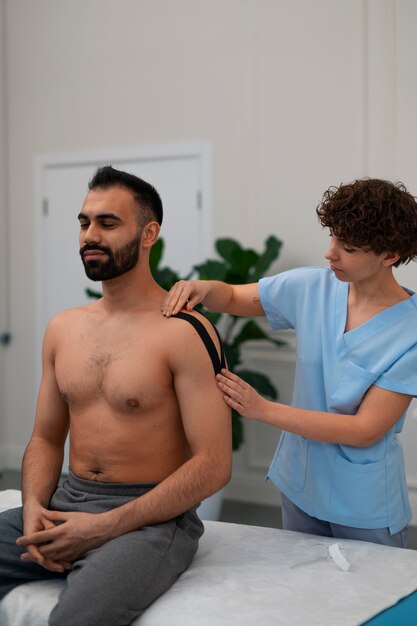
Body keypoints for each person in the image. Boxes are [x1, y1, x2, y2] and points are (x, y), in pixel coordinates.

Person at [0, 166, 232, 626]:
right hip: (68, 501)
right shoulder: (63, 328)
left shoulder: (185, 332)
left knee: (76, 619)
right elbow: (46, 439)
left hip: (151, 519)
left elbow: (213, 464)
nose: (90, 234)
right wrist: (33, 513)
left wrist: (104, 527)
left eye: (108, 223)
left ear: (149, 234)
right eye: (84, 222)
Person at [162, 178, 417, 548]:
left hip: (363, 501)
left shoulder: (410, 332)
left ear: (389, 255)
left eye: (347, 247)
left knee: (366, 600)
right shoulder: (312, 287)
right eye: (332, 237)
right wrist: (203, 288)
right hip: (300, 483)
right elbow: (233, 297)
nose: (330, 253)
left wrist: (262, 409)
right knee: (300, 594)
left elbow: (365, 429)